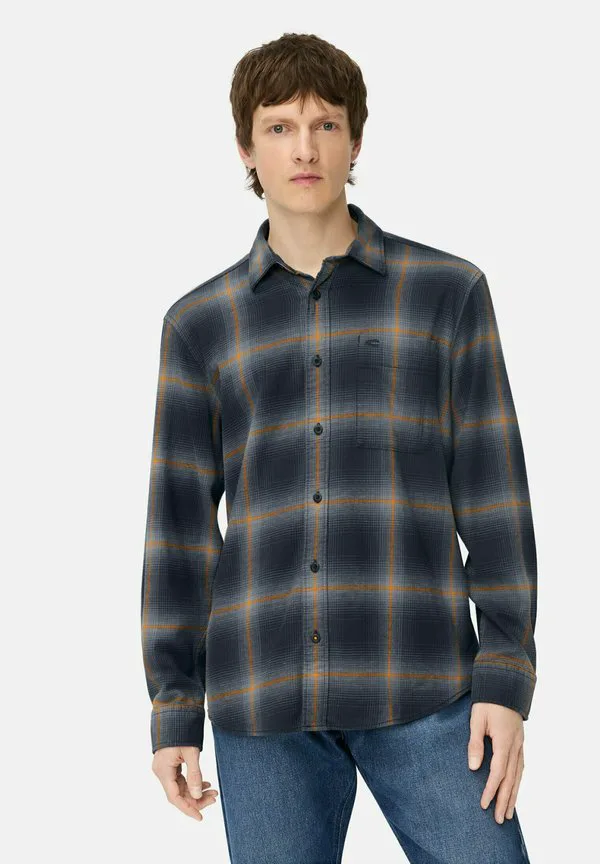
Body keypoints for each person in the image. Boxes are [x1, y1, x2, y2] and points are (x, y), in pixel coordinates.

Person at [141, 32, 536, 864]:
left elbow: (495, 498)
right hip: (263, 702)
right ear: (245, 148)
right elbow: (178, 532)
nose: (305, 148)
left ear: (355, 139)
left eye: (325, 124)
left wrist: (507, 676)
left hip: (426, 684)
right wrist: (174, 707)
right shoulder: (200, 325)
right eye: (279, 127)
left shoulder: (446, 294)